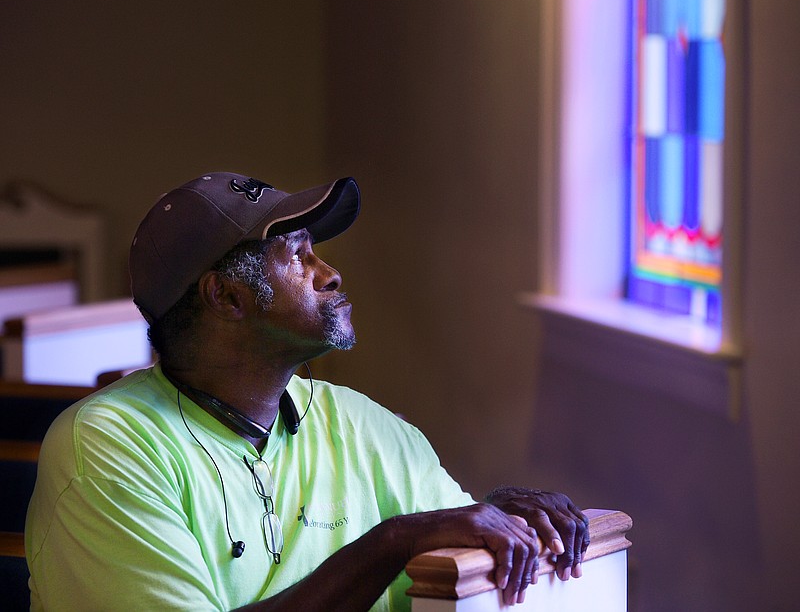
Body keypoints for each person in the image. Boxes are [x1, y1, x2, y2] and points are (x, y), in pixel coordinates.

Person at [25, 172, 590, 611]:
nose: (330, 273)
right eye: (297, 255)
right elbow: (409, 536)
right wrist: (390, 541)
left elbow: (447, 540)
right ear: (226, 297)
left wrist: (496, 518)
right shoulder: (107, 446)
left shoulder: (361, 424)